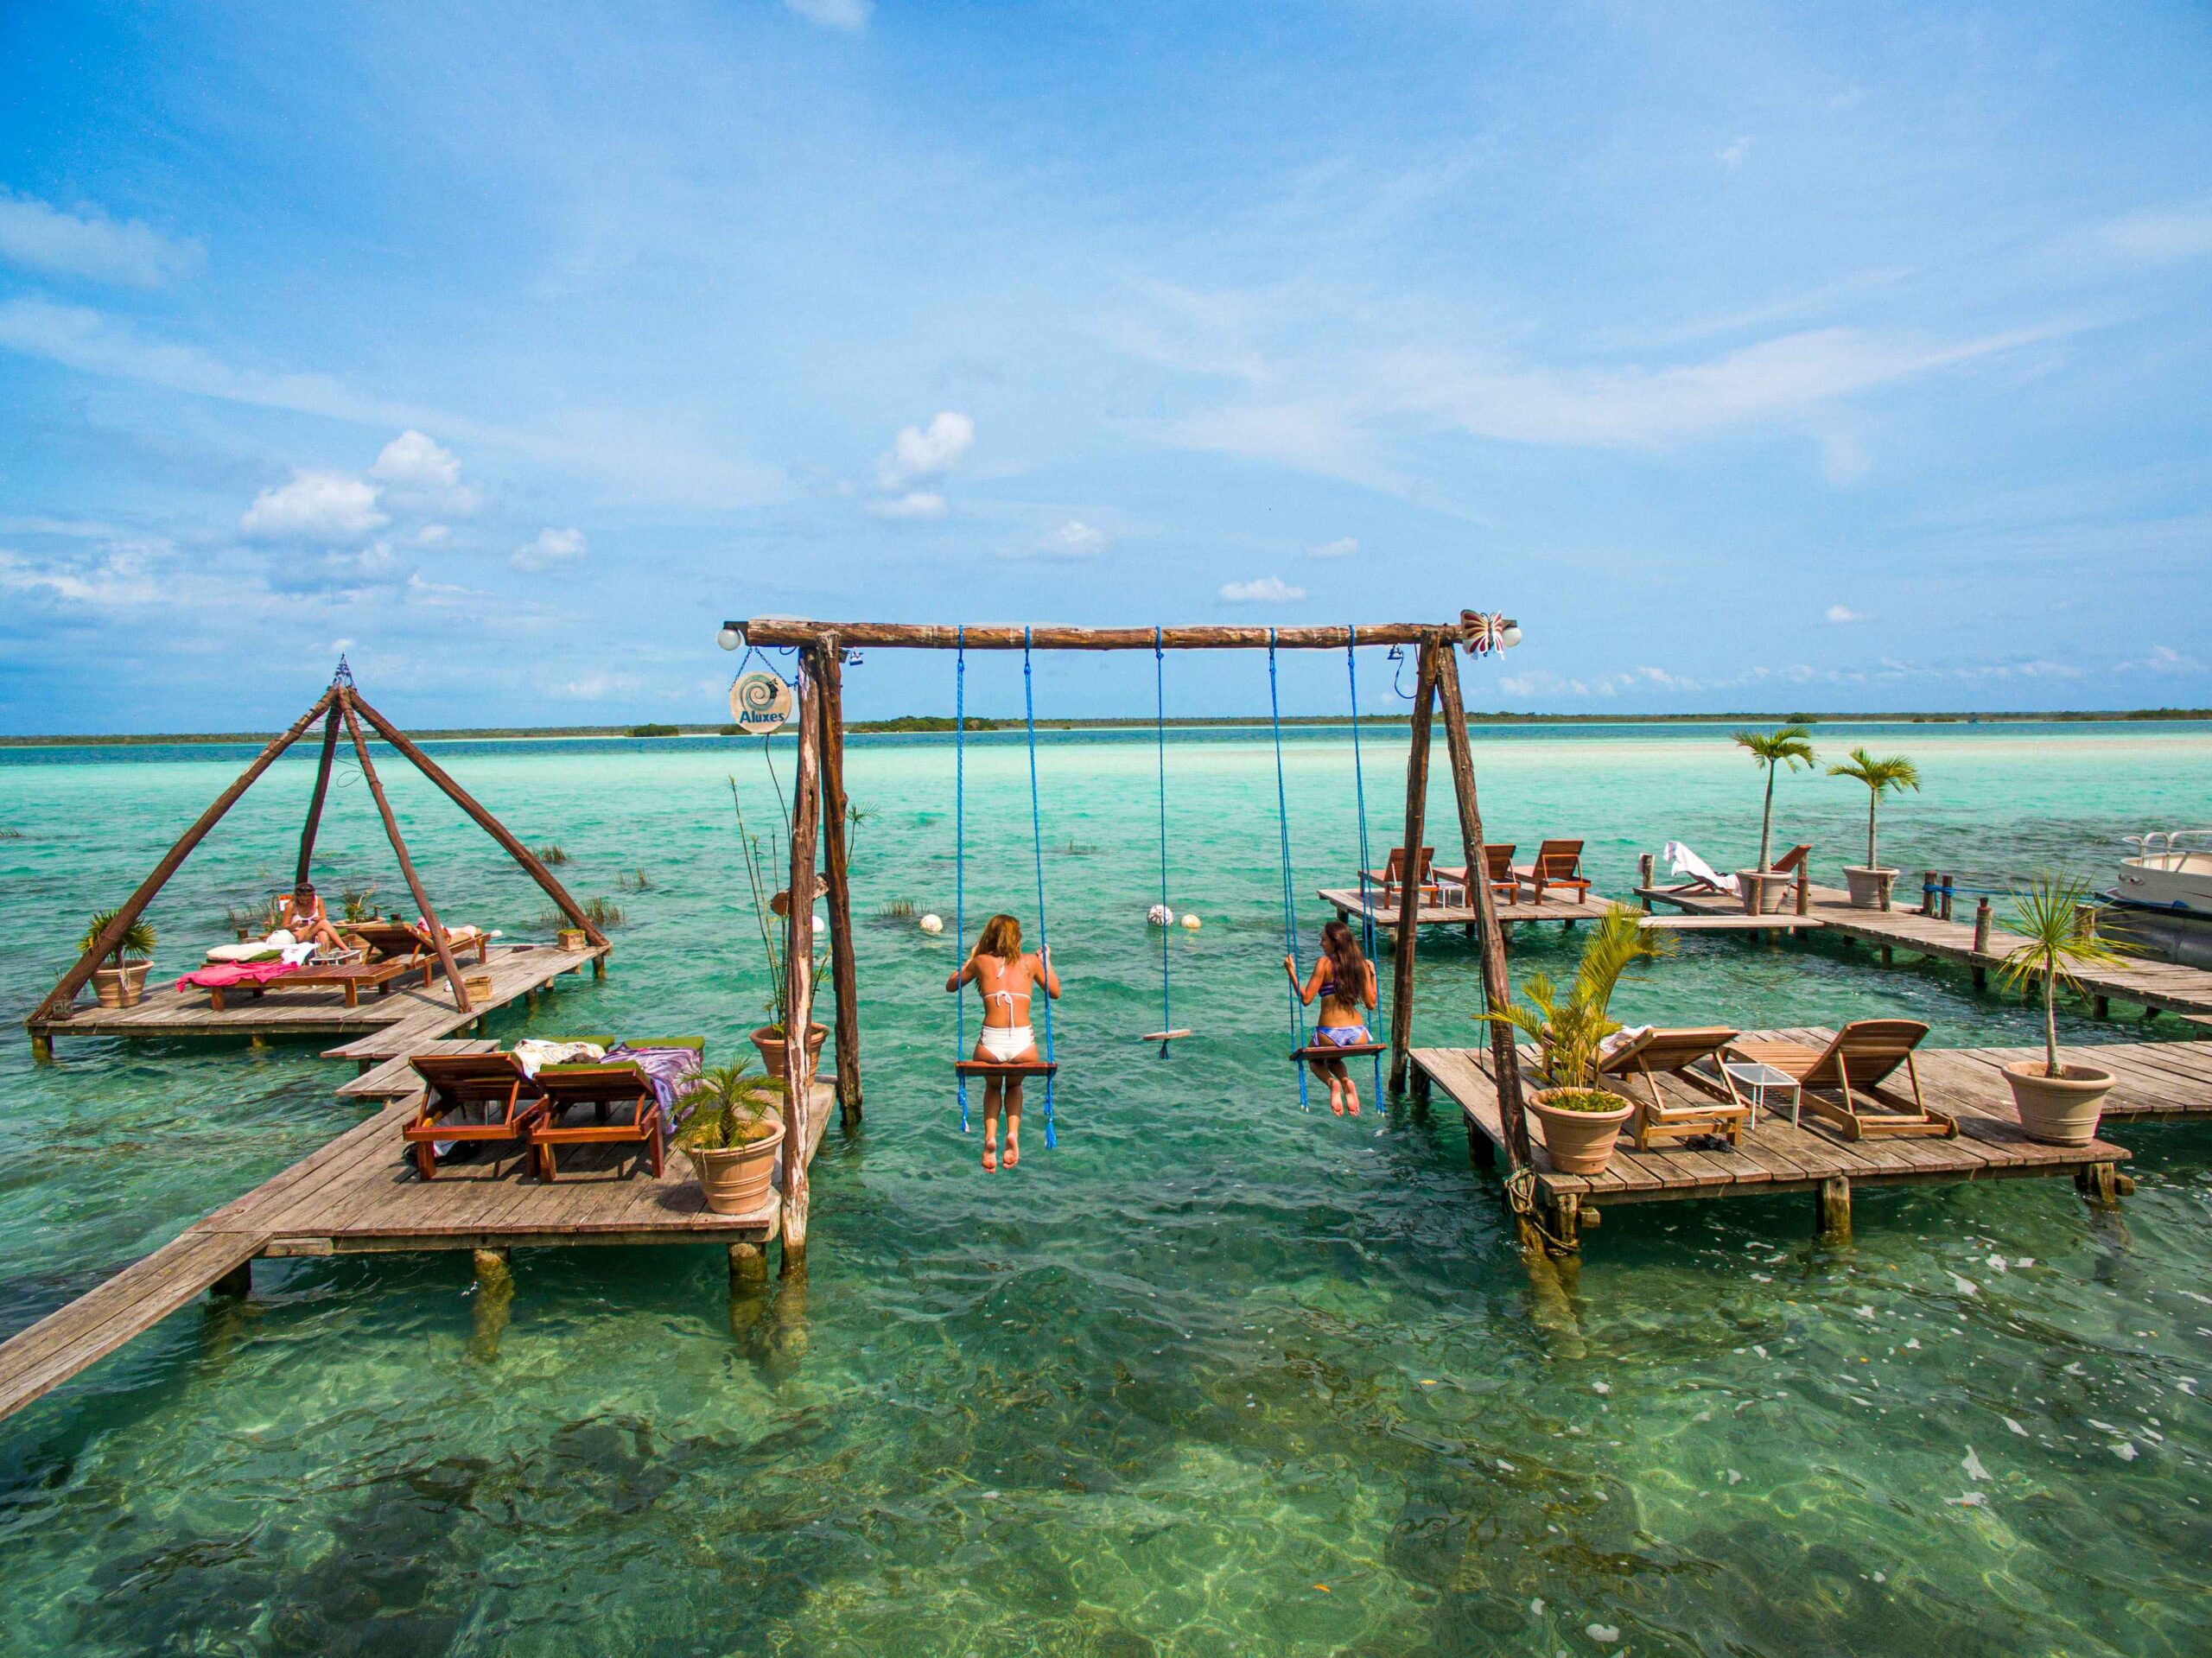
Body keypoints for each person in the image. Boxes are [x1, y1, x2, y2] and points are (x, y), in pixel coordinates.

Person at [945, 912, 1061, 1171]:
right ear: (1017, 938)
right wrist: (1047, 962)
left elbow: (951, 985)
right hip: (1023, 1045)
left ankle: (990, 1137)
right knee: (1014, 1086)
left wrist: (972, 958)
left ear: (989, 937)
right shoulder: (1030, 962)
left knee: (993, 1086)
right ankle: (1012, 1134)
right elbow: (1055, 992)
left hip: (991, 1045)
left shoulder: (981, 962)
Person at [1285, 918, 1378, 1116]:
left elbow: (1306, 999)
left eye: (1324, 940)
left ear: (1335, 942)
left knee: (1315, 1061)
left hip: (1329, 1033)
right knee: (1334, 1059)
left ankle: (1332, 1083)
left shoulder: (1324, 963)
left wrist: (1291, 972)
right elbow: (1371, 1004)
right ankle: (1345, 1081)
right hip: (1358, 1034)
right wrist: (1372, 975)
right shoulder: (1361, 965)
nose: (1321, 943)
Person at [276, 880, 347, 954]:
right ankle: (345, 949)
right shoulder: (291, 905)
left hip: (313, 932)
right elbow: (284, 928)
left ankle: (324, 958)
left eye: (308, 900)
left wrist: (319, 919)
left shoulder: (318, 900)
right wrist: (295, 925)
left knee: (322, 933)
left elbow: (324, 919)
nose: (305, 902)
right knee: (323, 923)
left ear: (313, 896)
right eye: (302, 900)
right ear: (297, 897)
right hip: (298, 935)